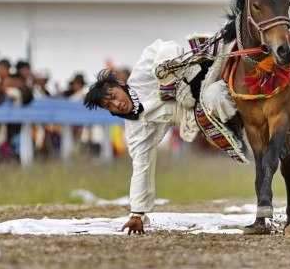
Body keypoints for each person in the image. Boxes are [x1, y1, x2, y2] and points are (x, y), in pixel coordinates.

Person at [84, 39, 237, 234]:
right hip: (198, 115)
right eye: (109, 106)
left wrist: (165, 64)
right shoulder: (135, 131)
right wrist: (137, 214)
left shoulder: (141, 76)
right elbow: (141, 166)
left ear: (121, 85)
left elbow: (160, 47)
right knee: (215, 99)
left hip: (202, 76)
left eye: (114, 96)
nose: (116, 104)